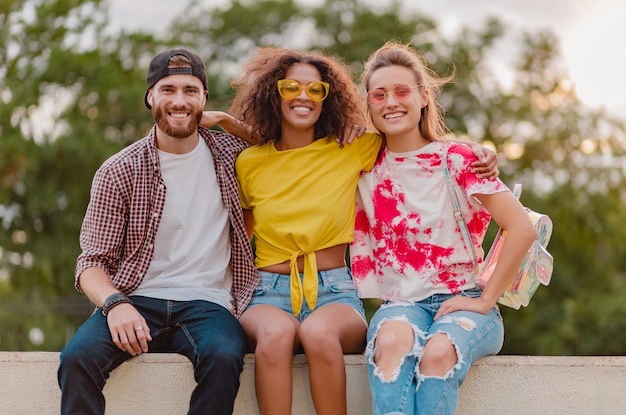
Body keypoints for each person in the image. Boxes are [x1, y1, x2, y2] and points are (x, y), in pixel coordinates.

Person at [203, 47, 499, 415]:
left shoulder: (351, 148)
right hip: (267, 292)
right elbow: (240, 233)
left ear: (328, 99)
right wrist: (229, 124)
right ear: (272, 93)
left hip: (334, 292)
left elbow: (415, 140)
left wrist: (475, 150)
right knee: (276, 336)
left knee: (317, 333)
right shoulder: (250, 162)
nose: (303, 96)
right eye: (291, 87)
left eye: (316, 90)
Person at [57, 48, 259, 415]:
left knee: (226, 356)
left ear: (204, 99)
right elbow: (91, 263)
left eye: (190, 90)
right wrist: (116, 304)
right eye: (168, 90)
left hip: (208, 303)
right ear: (150, 96)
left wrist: (229, 121)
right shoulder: (120, 170)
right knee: (76, 358)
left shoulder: (233, 155)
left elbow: (279, 144)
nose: (179, 101)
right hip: (136, 299)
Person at [350, 41, 538, 415]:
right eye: (379, 94)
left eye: (402, 91)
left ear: (423, 97)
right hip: (401, 303)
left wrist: (484, 301)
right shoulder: (360, 165)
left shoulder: (459, 159)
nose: (391, 102)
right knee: (389, 347)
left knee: (439, 353)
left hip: (464, 301)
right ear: (367, 103)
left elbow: (522, 228)